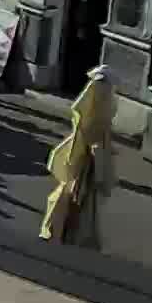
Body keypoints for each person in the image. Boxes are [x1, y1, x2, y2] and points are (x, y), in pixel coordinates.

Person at [41, 66, 118, 248]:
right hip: (85, 160)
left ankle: (64, 231)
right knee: (76, 196)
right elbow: (89, 129)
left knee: (76, 196)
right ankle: (67, 233)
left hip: (86, 159)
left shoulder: (98, 95)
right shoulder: (101, 95)